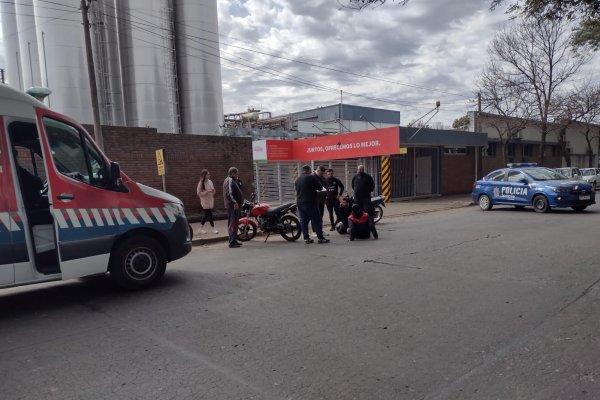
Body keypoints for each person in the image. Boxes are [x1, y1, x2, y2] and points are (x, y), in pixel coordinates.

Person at [295, 164, 329, 244]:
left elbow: (297, 190)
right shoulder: (311, 177)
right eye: (310, 170)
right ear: (308, 170)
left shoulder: (298, 179)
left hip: (300, 203)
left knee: (304, 221)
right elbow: (320, 187)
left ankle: (306, 238)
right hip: (310, 202)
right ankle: (320, 238)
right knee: (316, 220)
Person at [223, 167, 244, 248]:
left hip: (235, 206)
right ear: (232, 173)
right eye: (236, 173)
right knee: (232, 223)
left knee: (235, 223)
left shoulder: (234, 180)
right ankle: (231, 241)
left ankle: (234, 239)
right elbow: (229, 193)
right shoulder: (229, 180)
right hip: (232, 206)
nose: (238, 175)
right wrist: (234, 202)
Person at [196, 169, 218, 234]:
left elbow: (213, 190)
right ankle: (213, 228)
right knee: (209, 214)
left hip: (210, 199)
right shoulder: (200, 183)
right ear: (204, 175)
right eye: (208, 174)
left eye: (209, 174)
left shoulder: (210, 181)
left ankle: (200, 229)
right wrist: (207, 192)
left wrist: (213, 191)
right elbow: (198, 193)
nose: (209, 175)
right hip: (205, 201)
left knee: (206, 215)